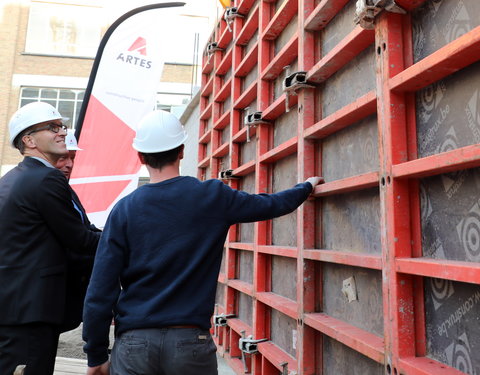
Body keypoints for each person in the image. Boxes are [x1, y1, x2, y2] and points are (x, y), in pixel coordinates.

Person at [82, 110, 324, 375]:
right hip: (190, 343)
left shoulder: (124, 210)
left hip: (134, 344)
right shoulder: (212, 197)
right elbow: (271, 205)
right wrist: (306, 187)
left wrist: (96, 355)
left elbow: (100, 290)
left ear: (140, 156)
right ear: (182, 151)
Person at [0, 102, 101, 375]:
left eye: (61, 126)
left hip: (17, 309)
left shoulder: (14, 179)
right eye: (52, 127)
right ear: (29, 140)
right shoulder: (45, 179)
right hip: (31, 311)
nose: (61, 133)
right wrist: (124, 239)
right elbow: (79, 238)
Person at [55, 129, 101, 333]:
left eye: (72, 158)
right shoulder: (48, 191)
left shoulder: (66, 190)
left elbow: (85, 227)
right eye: (63, 158)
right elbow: (78, 239)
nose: (70, 165)